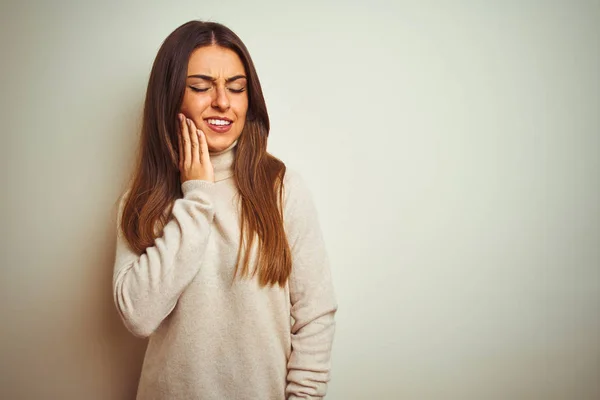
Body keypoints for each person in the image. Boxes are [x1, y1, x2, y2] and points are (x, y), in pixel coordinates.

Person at [112, 20, 338, 400]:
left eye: (236, 88)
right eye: (201, 87)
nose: (222, 101)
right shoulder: (142, 201)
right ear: (170, 96)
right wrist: (197, 194)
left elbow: (315, 317)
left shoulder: (282, 189)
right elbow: (138, 315)